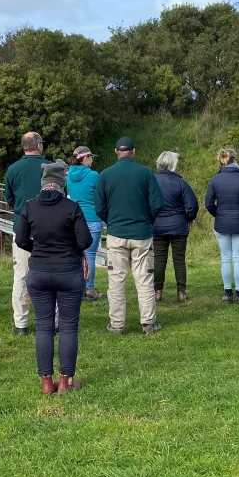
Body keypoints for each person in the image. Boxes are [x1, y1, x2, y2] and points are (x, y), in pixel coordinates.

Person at [18, 160, 93, 394]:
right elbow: (85, 241)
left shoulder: (30, 206)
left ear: (43, 183)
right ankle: (66, 382)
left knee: (43, 327)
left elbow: (21, 239)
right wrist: (70, 248)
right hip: (69, 271)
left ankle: (46, 383)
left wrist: (38, 249)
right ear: (62, 183)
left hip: (39, 272)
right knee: (69, 327)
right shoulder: (71, 207)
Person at [95, 136, 165, 335]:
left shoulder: (106, 175)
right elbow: (157, 203)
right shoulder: (145, 173)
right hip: (142, 233)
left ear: (116, 152)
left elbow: (99, 207)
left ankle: (116, 324)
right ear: (133, 152)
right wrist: (147, 219)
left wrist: (112, 221)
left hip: (117, 233)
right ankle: (148, 323)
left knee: (116, 280)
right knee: (144, 280)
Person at [4, 132, 52, 335]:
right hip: (50, 229)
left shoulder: (13, 169)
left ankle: (20, 324)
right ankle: (51, 321)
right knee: (51, 275)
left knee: (21, 276)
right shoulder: (50, 167)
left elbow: (10, 198)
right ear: (39, 145)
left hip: (22, 227)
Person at [152, 151, 198, 303]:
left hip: (157, 225)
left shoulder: (152, 181)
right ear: (173, 164)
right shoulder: (180, 182)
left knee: (159, 258)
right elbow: (192, 205)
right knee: (179, 259)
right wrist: (189, 217)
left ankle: (157, 291)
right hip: (178, 225)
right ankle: (181, 292)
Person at [205, 148, 239, 304]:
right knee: (238, 258)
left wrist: (219, 214)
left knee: (225, 258)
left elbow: (208, 203)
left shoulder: (215, 180)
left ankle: (227, 292)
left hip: (222, 221)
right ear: (235, 160)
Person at [66, 146, 104, 301]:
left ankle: (77, 287)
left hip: (74, 219)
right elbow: (101, 195)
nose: (93, 160)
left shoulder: (69, 175)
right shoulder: (94, 175)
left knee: (76, 255)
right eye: (92, 157)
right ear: (86, 158)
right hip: (92, 218)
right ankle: (89, 288)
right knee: (90, 255)